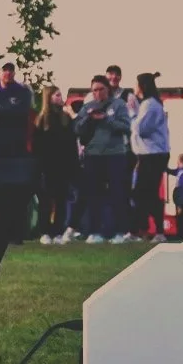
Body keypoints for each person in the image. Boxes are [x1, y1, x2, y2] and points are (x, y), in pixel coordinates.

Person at [76, 73, 134, 242]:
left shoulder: (119, 105)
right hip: (93, 155)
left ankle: (120, 232)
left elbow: (126, 127)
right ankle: (95, 231)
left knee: (117, 193)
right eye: (94, 90)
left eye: (101, 89)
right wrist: (89, 118)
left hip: (115, 154)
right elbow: (77, 129)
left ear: (107, 89)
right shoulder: (87, 107)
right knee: (94, 194)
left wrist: (106, 119)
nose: (98, 93)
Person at [32, 86, 80, 242]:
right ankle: (45, 232)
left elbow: (72, 144)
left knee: (61, 200)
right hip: (47, 167)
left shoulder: (66, 118)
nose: (60, 98)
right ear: (49, 97)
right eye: (57, 95)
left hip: (64, 166)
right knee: (46, 200)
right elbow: (36, 147)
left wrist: (74, 165)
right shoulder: (41, 121)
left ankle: (58, 231)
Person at [129, 71, 171, 238]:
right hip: (149, 154)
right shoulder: (149, 104)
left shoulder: (150, 105)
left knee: (146, 192)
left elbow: (141, 129)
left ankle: (156, 230)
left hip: (152, 155)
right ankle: (144, 228)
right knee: (143, 192)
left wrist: (132, 113)